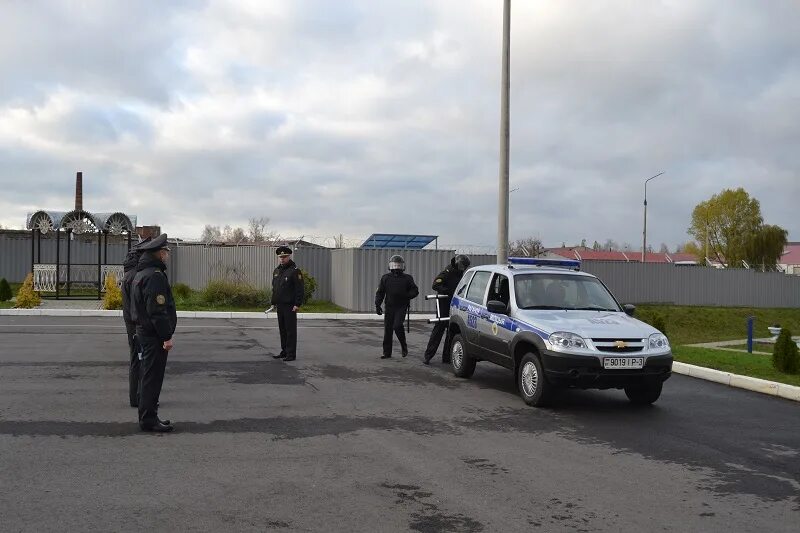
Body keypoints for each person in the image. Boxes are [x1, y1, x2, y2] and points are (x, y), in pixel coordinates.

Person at [130, 234, 176, 433]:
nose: (167, 255)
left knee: (148, 375)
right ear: (159, 253)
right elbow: (157, 311)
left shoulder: (141, 273)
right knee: (152, 378)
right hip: (153, 336)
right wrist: (166, 337)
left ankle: (150, 415)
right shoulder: (155, 275)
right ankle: (148, 419)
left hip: (144, 332)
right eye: (165, 252)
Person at [423, 254, 471, 365]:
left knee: (451, 331)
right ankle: (428, 356)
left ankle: (447, 357)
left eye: (465, 266)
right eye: (462, 265)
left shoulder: (461, 274)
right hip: (443, 304)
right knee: (439, 329)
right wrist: (447, 291)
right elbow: (435, 285)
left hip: (453, 305)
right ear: (457, 263)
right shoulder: (447, 272)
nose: (463, 268)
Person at [120, 237, 150, 408]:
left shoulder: (129, 275)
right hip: (136, 324)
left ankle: (136, 397)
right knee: (139, 361)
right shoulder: (135, 277)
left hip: (131, 323)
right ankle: (138, 397)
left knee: (136, 360)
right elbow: (137, 306)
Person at [375, 255, 419, 359]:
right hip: (389, 306)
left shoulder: (407, 278)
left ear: (403, 266)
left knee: (397, 326)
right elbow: (380, 292)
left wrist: (407, 295)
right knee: (388, 330)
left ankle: (404, 346)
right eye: (395, 265)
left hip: (401, 306)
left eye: (399, 265)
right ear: (390, 266)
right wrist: (377, 304)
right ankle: (387, 353)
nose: (397, 267)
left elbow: (415, 290)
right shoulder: (385, 278)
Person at [271, 246, 304, 362]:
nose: (282, 259)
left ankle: (291, 354)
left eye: (284, 257)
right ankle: (284, 351)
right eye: (280, 257)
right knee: (282, 329)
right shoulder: (277, 270)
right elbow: (275, 288)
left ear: (289, 257)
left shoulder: (294, 271)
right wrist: (273, 302)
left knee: (290, 330)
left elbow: (299, 289)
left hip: (290, 305)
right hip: (280, 305)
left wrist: (297, 304)